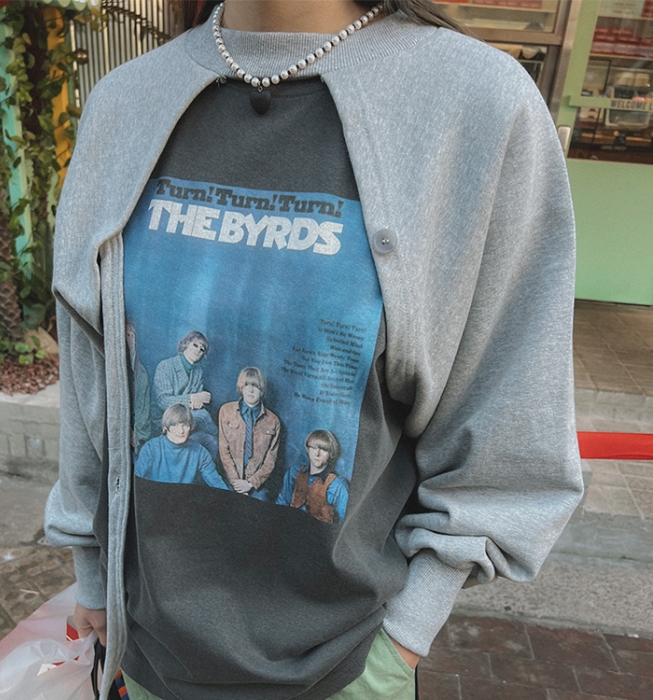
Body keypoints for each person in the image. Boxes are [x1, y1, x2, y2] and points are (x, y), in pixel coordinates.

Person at [45, 2, 584, 699]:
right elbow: (92, 382)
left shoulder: (478, 105)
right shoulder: (125, 101)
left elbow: (506, 417)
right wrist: (93, 576)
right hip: (145, 657)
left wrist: (401, 645)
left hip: (346, 672)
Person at [152, 330, 219, 458]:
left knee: (212, 441)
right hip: (165, 420)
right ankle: (225, 441)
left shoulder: (198, 371)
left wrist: (197, 402)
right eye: (195, 345)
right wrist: (192, 398)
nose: (198, 350)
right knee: (203, 415)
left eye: (202, 349)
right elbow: (163, 401)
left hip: (187, 420)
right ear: (185, 344)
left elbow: (197, 403)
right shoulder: (166, 366)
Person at [218, 366, 280, 500]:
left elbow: (271, 459)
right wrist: (236, 483)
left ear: (262, 390)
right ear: (241, 387)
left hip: (257, 485)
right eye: (246, 385)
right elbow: (224, 450)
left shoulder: (273, 420)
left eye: (255, 386)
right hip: (231, 480)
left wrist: (251, 483)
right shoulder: (226, 411)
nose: (250, 390)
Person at [135, 403, 230, 488]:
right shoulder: (151, 448)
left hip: (183, 498)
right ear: (166, 427)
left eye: (185, 425)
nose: (181, 431)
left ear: (191, 427)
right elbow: (136, 480)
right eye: (175, 425)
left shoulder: (199, 451)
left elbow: (216, 482)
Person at [277, 430, 349, 523]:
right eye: (313, 448)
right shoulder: (294, 472)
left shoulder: (337, 485)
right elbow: (281, 504)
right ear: (308, 449)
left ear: (330, 453)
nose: (317, 454)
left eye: (323, 449)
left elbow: (344, 522)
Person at [125, 318, 152, 457]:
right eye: (126, 334)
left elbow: (143, 407)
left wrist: (136, 432)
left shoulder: (140, 371)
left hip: (138, 428)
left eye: (131, 335)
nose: (128, 338)